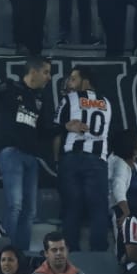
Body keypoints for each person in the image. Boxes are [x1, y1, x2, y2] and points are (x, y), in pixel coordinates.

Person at [0, 56, 54, 252]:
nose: (49, 77)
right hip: (11, 153)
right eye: (46, 72)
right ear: (33, 72)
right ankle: (5, 251)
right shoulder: (10, 87)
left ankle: (21, 253)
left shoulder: (40, 98)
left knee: (30, 210)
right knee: (15, 204)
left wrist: (65, 127)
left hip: (32, 157)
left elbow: (43, 131)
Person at [54, 65, 111, 252]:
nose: (70, 82)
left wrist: (57, 160)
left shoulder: (69, 99)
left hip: (71, 160)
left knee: (71, 209)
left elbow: (55, 130)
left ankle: (71, 255)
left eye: (73, 78)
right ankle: (99, 255)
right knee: (98, 210)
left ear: (85, 81)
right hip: (97, 159)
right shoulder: (107, 102)